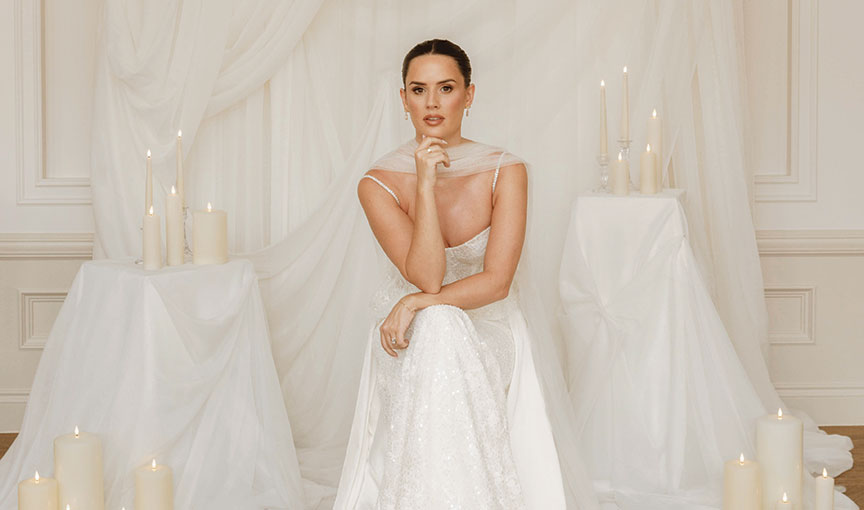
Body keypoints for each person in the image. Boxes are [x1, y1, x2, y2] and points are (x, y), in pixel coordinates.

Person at [333, 39, 595, 509]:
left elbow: (496, 282)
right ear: (403, 98)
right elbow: (428, 277)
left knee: (440, 324)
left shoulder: (506, 171)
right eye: (418, 90)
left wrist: (414, 302)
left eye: (446, 88)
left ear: (469, 95)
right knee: (436, 326)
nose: (432, 103)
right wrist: (426, 184)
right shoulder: (376, 184)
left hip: (487, 321)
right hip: (408, 333)